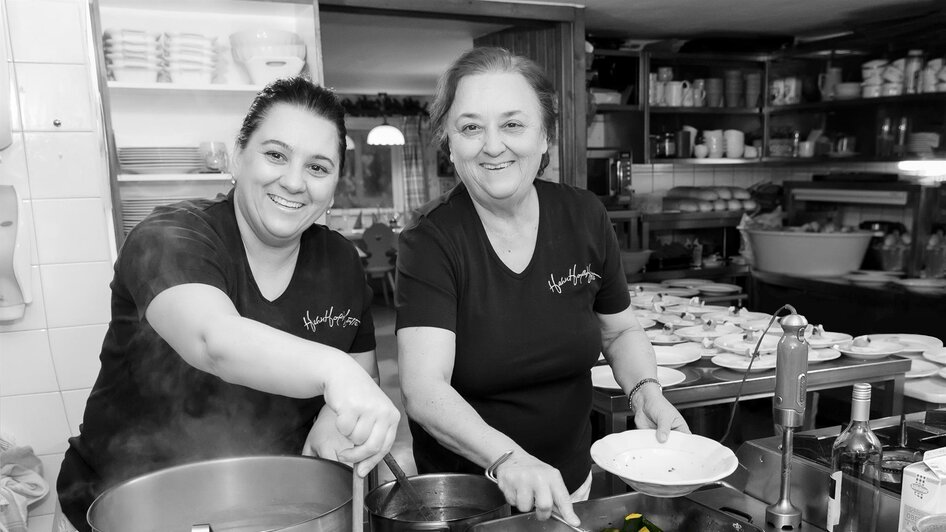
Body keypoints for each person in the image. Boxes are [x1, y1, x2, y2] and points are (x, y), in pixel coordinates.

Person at [55, 77, 400, 532]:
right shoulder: (172, 236)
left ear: (335, 185)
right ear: (237, 156)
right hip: (125, 505)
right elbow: (213, 339)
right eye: (275, 155)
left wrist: (337, 416)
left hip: (276, 510)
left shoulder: (340, 261)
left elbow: (361, 379)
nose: (294, 182)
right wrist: (338, 371)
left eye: (318, 167)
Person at [395, 47, 689, 527]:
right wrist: (508, 459)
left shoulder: (584, 216)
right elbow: (425, 390)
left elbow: (619, 332)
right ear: (449, 143)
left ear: (545, 134)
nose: (493, 146)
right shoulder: (432, 241)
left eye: (513, 124)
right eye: (471, 127)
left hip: (571, 482)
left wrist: (645, 392)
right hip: (470, 501)